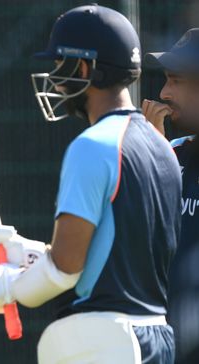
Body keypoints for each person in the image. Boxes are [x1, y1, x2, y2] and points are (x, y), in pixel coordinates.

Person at [0, 5, 181, 364]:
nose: (54, 77)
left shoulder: (92, 146)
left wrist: (6, 288)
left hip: (105, 341)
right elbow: (111, 256)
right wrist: (26, 252)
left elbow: (67, 266)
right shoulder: (163, 147)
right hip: (155, 335)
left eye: (59, 65)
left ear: (83, 68)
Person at [142, 28, 199, 364]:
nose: (164, 93)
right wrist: (155, 156)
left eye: (176, 80)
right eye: (165, 80)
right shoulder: (172, 153)